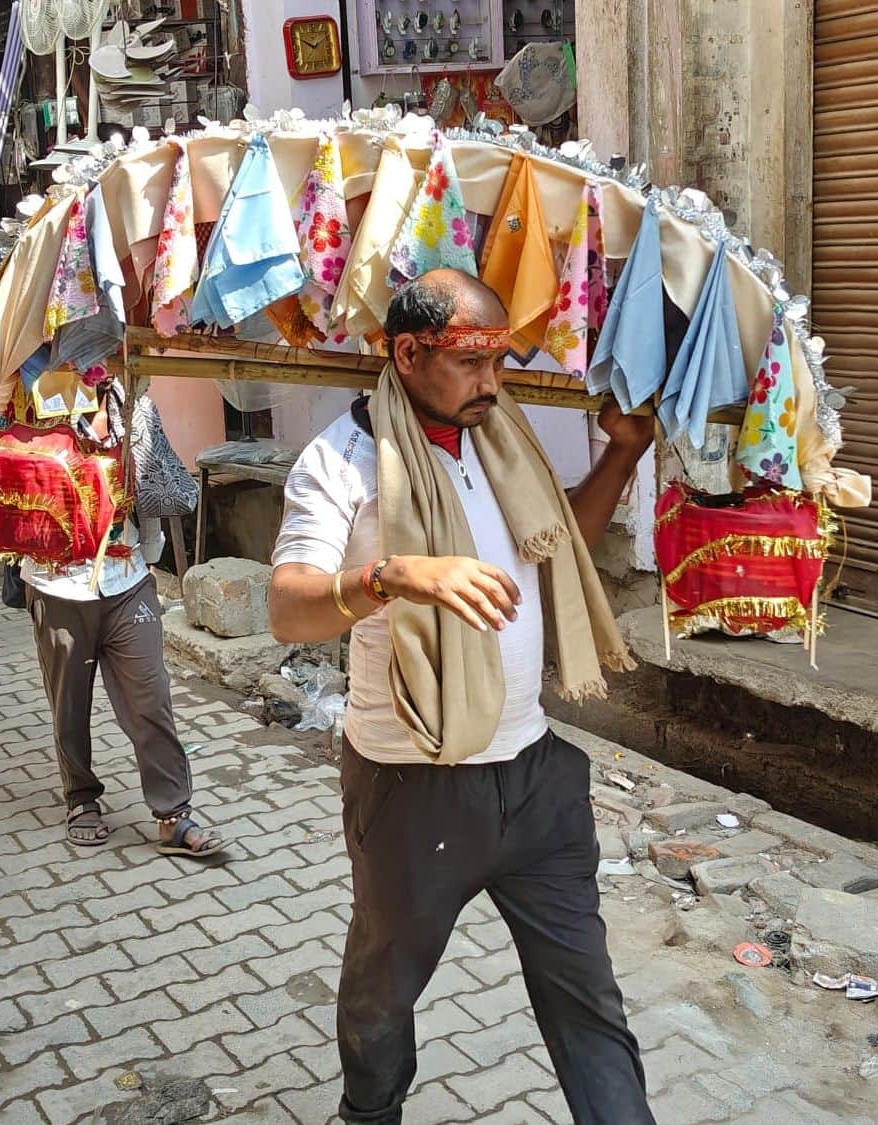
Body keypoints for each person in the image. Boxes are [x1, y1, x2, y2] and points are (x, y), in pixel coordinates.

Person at [269, 270, 656, 1125]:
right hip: (411, 786)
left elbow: (560, 544)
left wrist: (623, 452)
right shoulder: (342, 460)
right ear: (408, 354)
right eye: (470, 362)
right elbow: (288, 608)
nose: (492, 381)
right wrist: (391, 576)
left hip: (535, 778)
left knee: (587, 998)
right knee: (382, 990)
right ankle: (368, 1114)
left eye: (500, 361)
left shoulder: (500, 439)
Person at [18, 381, 225, 859]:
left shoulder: (136, 408)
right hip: (57, 583)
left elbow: (159, 486)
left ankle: (173, 813)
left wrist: (146, 543)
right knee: (69, 702)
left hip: (127, 577)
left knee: (151, 698)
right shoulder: (35, 401)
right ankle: (81, 798)